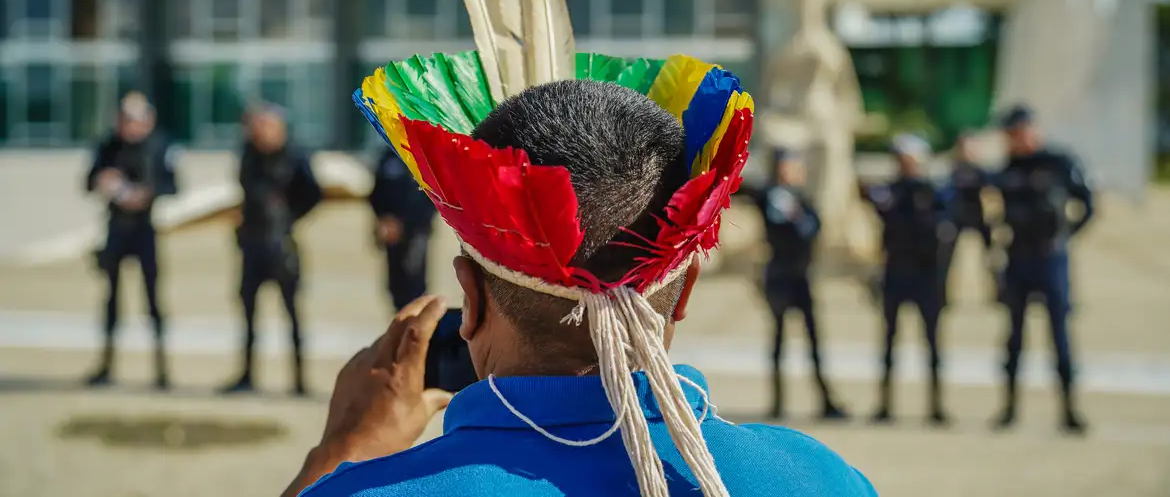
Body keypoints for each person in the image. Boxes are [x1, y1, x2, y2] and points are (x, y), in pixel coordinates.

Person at [285, 80, 876, 497]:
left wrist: (339, 455)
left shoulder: (364, 491)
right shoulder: (821, 479)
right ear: (686, 286)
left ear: (472, 295)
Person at [991, 105, 1094, 434]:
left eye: (1018, 132)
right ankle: (1009, 409)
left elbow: (1087, 203)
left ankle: (1069, 410)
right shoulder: (1008, 168)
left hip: (1050, 260)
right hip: (1018, 260)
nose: (1014, 139)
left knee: (1060, 338)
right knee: (1014, 338)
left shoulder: (1059, 162)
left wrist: (1064, 237)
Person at [220, 105, 322, 396]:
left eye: (266, 127)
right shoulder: (248, 155)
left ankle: (299, 381)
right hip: (251, 244)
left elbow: (313, 194)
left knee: (292, 313)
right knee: (248, 312)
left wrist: (288, 217)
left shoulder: (295, 157)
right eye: (256, 128)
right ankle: (247, 376)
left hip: (282, 245)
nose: (259, 133)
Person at [741, 147, 848, 421]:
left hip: (802, 277)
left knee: (813, 338)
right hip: (779, 275)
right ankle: (777, 402)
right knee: (778, 339)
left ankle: (825, 399)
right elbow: (744, 190)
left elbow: (813, 229)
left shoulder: (800, 198)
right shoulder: (769, 195)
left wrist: (798, 215)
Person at [83, 91, 177, 389]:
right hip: (116, 229)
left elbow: (172, 184)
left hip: (145, 230)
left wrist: (145, 194)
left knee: (152, 298)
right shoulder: (108, 146)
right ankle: (107, 364)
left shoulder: (159, 146)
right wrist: (104, 181)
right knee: (111, 298)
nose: (130, 124)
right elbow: (87, 181)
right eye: (126, 118)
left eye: (136, 118)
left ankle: (162, 370)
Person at [861, 134, 954, 426]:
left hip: (926, 275)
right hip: (897, 272)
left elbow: (948, 231)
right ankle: (885, 404)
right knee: (889, 340)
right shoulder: (891, 191)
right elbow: (868, 197)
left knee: (932, 342)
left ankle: (936, 405)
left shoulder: (935, 192)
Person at [369, 146, 436, 312]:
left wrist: (404, 222)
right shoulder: (388, 156)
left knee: (414, 283)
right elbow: (376, 193)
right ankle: (400, 327)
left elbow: (432, 198)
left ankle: (417, 329)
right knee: (395, 284)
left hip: (416, 231)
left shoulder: (424, 153)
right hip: (391, 232)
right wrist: (383, 218)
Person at [941, 132, 996, 306]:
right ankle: (943, 294)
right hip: (957, 219)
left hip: (979, 218)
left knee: (992, 259)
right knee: (946, 259)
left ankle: (998, 292)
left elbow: (991, 195)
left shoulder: (981, 172)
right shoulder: (953, 171)